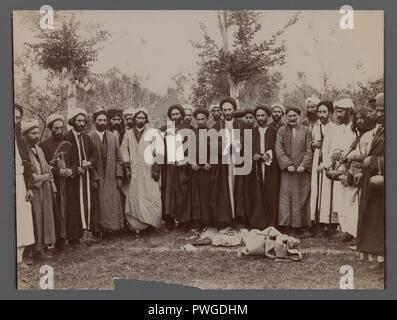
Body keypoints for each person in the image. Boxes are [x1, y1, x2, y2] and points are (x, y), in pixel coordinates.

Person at [120, 107, 162, 233]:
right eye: (138, 118)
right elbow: (124, 151)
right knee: (135, 196)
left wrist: (156, 169)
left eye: (143, 118)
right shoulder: (128, 134)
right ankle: (136, 226)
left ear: (146, 119)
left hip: (149, 171)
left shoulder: (153, 133)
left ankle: (151, 224)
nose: (140, 120)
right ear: (134, 119)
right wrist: (127, 167)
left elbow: (159, 151)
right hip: (135, 171)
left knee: (150, 195)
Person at [319, 96, 356, 235]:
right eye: (336, 112)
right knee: (340, 200)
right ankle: (345, 231)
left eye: (340, 111)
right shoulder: (338, 130)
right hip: (339, 170)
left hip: (352, 168)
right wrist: (328, 163)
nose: (337, 115)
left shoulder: (356, 128)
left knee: (352, 200)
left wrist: (344, 156)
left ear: (349, 111)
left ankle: (353, 232)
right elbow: (333, 150)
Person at [357, 92, 385, 271]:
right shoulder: (381, 128)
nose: (380, 113)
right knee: (375, 219)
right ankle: (379, 257)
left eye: (383, 110)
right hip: (374, 182)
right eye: (378, 110)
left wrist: (375, 161)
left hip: (382, 181)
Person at [62, 108, 98, 248]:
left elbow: (95, 153)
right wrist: (75, 168)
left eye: (83, 121)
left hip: (85, 178)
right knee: (73, 207)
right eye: (79, 121)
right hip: (72, 179)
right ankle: (72, 238)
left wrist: (89, 162)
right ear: (72, 122)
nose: (82, 123)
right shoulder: (67, 137)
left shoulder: (86, 137)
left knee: (84, 205)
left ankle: (80, 235)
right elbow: (65, 157)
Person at [22, 119, 56, 261]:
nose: (36, 135)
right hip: (32, 190)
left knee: (44, 218)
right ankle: (31, 251)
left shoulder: (39, 149)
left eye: (37, 132)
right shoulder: (23, 150)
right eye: (33, 133)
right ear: (25, 134)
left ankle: (41, 248)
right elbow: (27, 172)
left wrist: (52, 185)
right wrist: (41, 177)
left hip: (45, 190)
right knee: (34, 219)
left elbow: (47, 169)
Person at [276, 106, 313, 236]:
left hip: (302, 171)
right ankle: (288, 226)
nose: (292, 118)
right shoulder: (281, 131)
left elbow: (309, 150)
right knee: (287, 197)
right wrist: (287, 164)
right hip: (288, 171)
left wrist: (304, 165)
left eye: (294, 116)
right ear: (286, 116)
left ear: (299, 116)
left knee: (303, 196)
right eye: (289, 116)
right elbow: (279, 149)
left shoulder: (306, 130)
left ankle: (303, 226)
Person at [211, 97, 246, 231]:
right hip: (223, 163)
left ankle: (240, 219)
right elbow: (212, 145)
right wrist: (227, 146)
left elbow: (247, 141)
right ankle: (226, 220)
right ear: (221, 111)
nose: (227, 112)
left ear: (234, 110)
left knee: (240, 189)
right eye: (224, 110)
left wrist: (237, 145)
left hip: (239, 162)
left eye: (229, 109)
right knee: (225, 189)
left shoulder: (241, 124)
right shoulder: (216, 126)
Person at [89, 109, 124, 238]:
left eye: (104, 120)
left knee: (110, 202)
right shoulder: (89, 137)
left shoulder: (112, 137)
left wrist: (119, 175)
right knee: (97, 203)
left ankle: (109, 228)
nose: (102, 123)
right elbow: (88, 159)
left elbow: (119, 158)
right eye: (100, 120)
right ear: (94, 122)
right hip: (97, 175)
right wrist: (94, 177)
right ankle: (97, 230)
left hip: (110, 174)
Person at [243, 105, 280, 229]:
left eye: (262, 115)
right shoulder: (251, 132)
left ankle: (272, 222)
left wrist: (269, 156)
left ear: (268, 117)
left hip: (271, 168)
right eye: (258, 115)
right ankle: (258, 222)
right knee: (256, 193)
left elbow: (279, 149)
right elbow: (246, 150)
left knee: (271, 193)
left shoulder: (274, 131)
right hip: (256, 168)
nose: (260, 118)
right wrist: (252, 156)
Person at [40, 113, 70, 253]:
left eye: (61, 128)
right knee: (55, 211)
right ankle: (56, 241)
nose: (59, 131)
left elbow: (74, 159)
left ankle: (66, 239)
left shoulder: (67, 142)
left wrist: (70, 170)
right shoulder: (43, 145)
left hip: (68, 183)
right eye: (56, 128)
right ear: (50, 128)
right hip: (52, 184)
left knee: (66, 209)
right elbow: (45, 166)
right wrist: (58, 172)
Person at [160, 104, 193, 230]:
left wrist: (186, 159)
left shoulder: (189, 129)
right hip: (169, 166)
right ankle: (169, 221)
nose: (175, 116)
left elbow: (193, 147)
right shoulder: (165, 129)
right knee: (168, 193)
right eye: (172, 114)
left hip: (183, 166)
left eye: (177, 114)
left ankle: (184, 220)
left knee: (182, 193)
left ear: (182, 115)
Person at [309, 101, 337, 233]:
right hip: (317, 159)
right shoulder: (316, 126)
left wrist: (327, 163)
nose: (321, 114)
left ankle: (329, 222)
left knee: (327, 190)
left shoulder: (334, 128)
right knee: (316, 189)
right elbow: (312, 143)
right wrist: (315, 145)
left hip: (329, 162)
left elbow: (336, 148)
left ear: (330, 113)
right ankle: (316, 219)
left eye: (324, 112)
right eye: (319, 112)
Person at [14, 103, 35, 267]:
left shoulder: (20, 140)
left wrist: (29, 186)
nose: (16, 120)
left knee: (22, 219)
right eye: (13, 117)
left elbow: (27, 165)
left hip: (20, 181)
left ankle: (19, 258)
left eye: (18, 117)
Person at [190, 107, 213, 229]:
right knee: (195, 196)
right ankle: (197, 222)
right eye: (198, 119)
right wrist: (192, 162)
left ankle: (207, 222)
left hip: (208, 171)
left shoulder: (212, 132)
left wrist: (210, 163)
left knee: (207, 195)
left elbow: (215, 150)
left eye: (202, 119)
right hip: (195, 170)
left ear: (207, 119)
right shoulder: (192, 133)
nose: (200, 122)